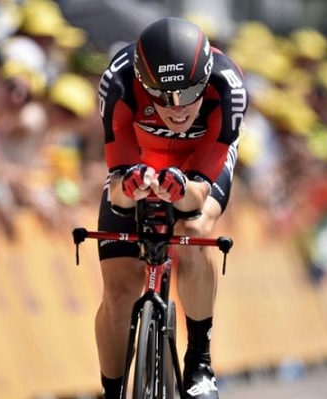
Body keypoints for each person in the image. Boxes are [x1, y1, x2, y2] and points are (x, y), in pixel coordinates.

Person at [94, 17, 248, 399]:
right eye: (161, 96)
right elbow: (116, 189)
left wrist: (180, 192)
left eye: (190, 92)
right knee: (119, 291)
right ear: (143, 83)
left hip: (198, 165)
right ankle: (111, 391)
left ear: (207, 76)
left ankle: (200, 361)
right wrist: (131, 186)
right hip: (140, 161)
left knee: (195, 228)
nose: (177, 108)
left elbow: (200, 195)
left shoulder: (228, 86)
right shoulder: (117, 81)